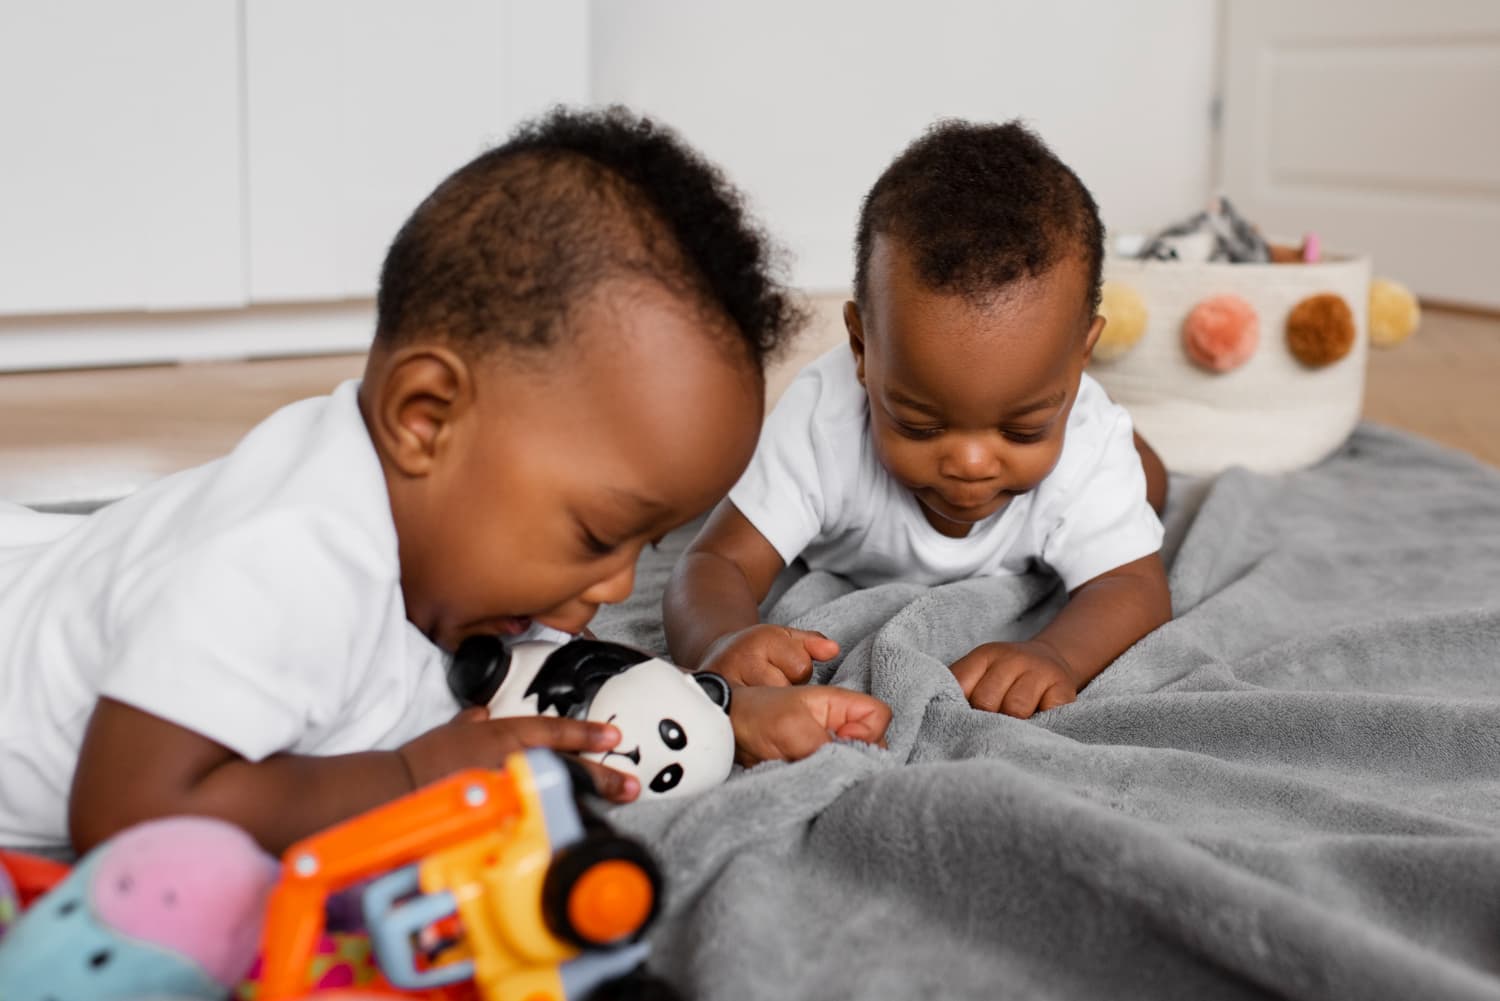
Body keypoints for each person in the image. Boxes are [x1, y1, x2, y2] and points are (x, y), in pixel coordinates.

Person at [0, 107, 890, 856]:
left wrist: (719, 711)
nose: (620, 587)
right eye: (593, 535)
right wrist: (411, 776)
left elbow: (551, 696)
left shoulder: (461, 555)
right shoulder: (282, 560)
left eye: (643, 547)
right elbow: (126, 817)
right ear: (425, 418)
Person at [663, 119, 1172, 721]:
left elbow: (1136, 588)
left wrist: (1055, 654)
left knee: (1150, 486)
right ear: (860, 350)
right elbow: (714, 563)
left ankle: (1130, 451)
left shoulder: (1083, 437)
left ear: (1082, 356)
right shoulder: (823, 421)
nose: (971, 464)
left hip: (1091, 445)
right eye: (921, 425)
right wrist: (721, 642)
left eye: (1022, 428)